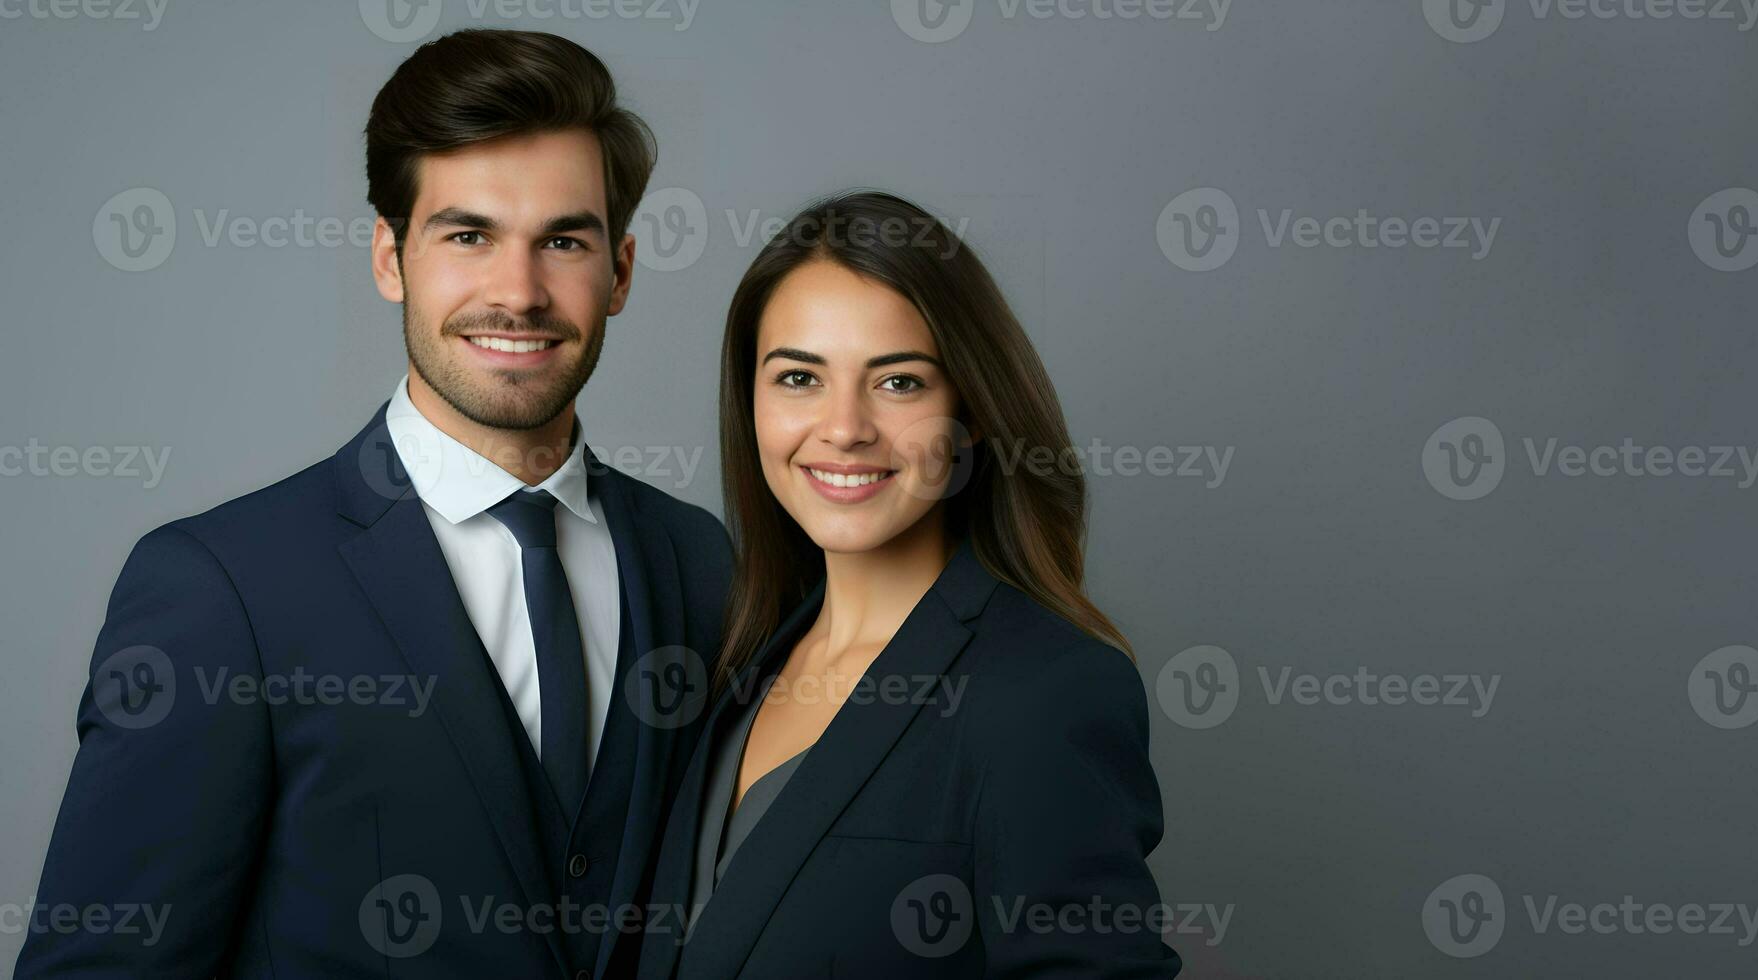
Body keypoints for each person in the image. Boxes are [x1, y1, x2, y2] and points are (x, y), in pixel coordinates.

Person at [16, 29, 729, 979]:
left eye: (562, 240)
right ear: (390, 258)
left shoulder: (697, 560)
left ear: (622, 272)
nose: (517, 293)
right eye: (467, 235)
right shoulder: (222, 590)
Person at [636, 191, 1182, 978]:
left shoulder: (1047, 690)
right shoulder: (738, 664)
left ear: (973, 410)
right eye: (797, 378)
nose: (845, 427)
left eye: (898, 384)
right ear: (748, 401)